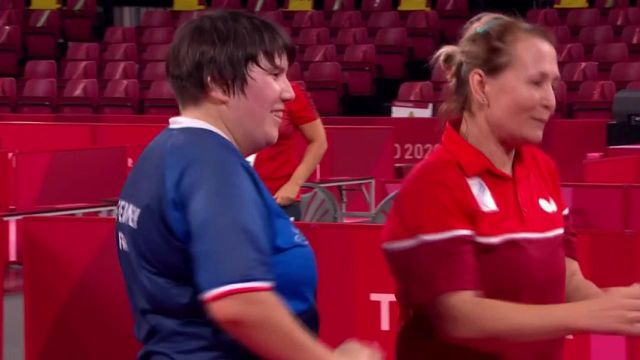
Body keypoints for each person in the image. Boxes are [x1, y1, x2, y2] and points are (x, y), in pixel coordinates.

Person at [115, 11, 380, 360]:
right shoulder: (211, 165)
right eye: (275, 75)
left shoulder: (165, 154)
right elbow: (239, 303)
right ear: (219, 83)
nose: (287, 92)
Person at [381, 12, 640, 360]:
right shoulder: (434, 183)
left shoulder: (542, 168)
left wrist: (621, 310)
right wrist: (586, 315)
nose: (550, 100)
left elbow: (565, 273)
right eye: (536, 83)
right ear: (480, 85)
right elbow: (458, 317)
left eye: (553, 84)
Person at [254, 81, 327, 221]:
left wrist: (294, 185)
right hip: (236, 199)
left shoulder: (290, 93)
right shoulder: (229, 93)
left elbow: (319, 141)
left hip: (279, 200)